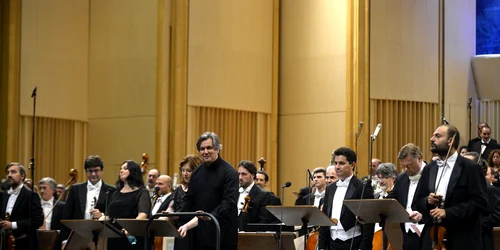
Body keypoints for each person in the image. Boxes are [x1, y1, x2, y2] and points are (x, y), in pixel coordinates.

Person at [413, 124, 488, 250]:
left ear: (450, 141)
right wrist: (427, 201)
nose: (432, 139)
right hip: (433, 238)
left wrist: (448, 212)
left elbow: (480, 203)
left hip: (462, 239)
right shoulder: (429, 169)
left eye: (437, 136)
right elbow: (417, 202)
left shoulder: (471, 168)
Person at [177, 132, 239, 250]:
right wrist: (177, 214)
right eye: (202, 149)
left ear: (217, 149)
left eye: (209, 148)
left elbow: (229, 202)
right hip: (201, 235)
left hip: (222, 234)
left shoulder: (229, 172)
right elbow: (189, 199)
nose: (205, 152)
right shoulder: (196, 173)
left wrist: (210, 216)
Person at [318, 147, 374, 250]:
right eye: (335, 163)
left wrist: (363, 247)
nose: (337, 167)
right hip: (332, 242)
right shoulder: (330, 188)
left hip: (354, 242)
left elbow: (369, 223)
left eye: (341, 163)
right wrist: (321, 246)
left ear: (352, 165)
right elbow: (325, 218)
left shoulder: (362, 187)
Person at [61, 155, 115, 247]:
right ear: (86, 172)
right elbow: (67, 215)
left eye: (96, 170)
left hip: (101, 237)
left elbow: (114, 215)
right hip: (78, 235)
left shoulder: (111, 190)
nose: (93, 174)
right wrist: (65, 239)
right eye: (90, 171)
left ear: (102, 171)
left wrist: (102, 215)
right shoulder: (75, 189)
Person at [386, 143, 430, 250]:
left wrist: (423, 215)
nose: (405, 169)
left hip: (428, 232)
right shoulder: (401, 178)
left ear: (419, 158)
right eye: (403, 165)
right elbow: (391, 199)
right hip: (407, 232)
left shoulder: (432, 173)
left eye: (409, 165)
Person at [103, 160, 151, 250]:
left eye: (125, 168)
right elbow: (108, 216)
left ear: (133, 171)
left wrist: (130, 229)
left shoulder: (142, 192)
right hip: (114, 236)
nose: (121, 171)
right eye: (120, 169)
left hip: (132, 236)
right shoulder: (115, 193)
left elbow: (143, 215)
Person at [0, 163, 44, 250]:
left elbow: (37, 220)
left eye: (13, 172)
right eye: (7, 173)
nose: (9, 175)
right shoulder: (3, 195)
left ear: (22, 176)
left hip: (24, 243)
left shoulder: (31, 195)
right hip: (4, 243)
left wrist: (13, 225)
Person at [166, 154, 202, 250]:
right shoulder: (178, 189)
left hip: (194, 228)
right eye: (183, 170)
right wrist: (169, 213)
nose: (185, 174)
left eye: (189, 171)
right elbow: (172, 206)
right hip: (180, 228)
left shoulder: (201, 189)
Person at [237, 160, 280, 229]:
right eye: (238, 174)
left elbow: (263, 224)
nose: (240, 177)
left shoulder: (264, 196)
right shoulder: (233, 192)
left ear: (252, 175)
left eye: (244, 174)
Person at [38, 177, 65, 250]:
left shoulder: (62, 206)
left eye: (44, 188)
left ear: (53, 190)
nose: (42, 191)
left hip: (55, 243)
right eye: (40, 188)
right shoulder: (34, 205)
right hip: (37, 243)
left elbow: (64, 226)